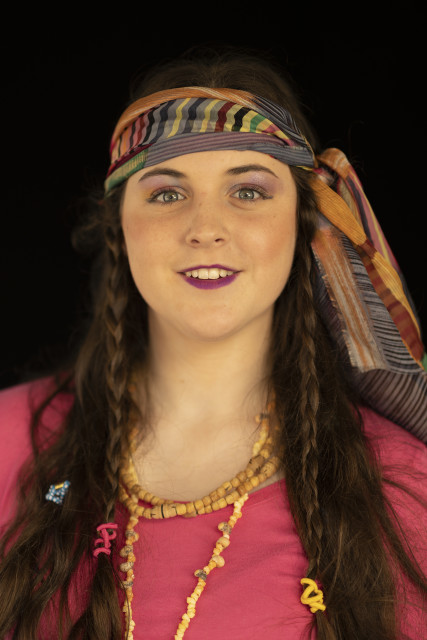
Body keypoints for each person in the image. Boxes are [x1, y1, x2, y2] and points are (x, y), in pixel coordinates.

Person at [0, 48, 426, 640]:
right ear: (120, 223)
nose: (206, 228)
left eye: (248, 191)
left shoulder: (403, 490)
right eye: (167, 193)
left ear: (304, 222)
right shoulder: (9, 440)